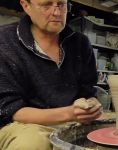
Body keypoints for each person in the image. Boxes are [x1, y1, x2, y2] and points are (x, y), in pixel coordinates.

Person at [0, 0, 103, 149]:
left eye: (61, 4)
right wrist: (70, 113)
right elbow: (11, 110)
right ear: (26, 6)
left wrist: (91, 105)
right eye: (46, 5)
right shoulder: (4, 42)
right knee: (33, 143)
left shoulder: (80, 43)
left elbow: (87, 92)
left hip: (70, 123)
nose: (57, 12)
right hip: (21, 125)